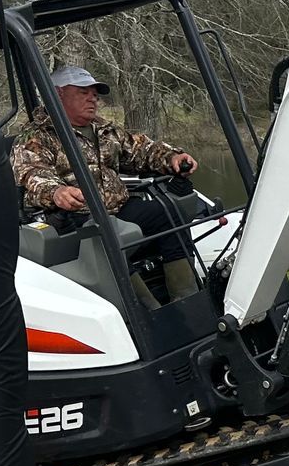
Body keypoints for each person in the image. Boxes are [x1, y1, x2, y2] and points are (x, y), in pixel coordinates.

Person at [11, 64, 201, 301]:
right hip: (78, 216)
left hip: (117, 207)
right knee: (108, 234)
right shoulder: (36, 136)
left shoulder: (104, 129)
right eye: (83, 93)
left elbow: (140, 150)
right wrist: (57, 191)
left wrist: (172, 157)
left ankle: (187, 299)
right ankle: (145, 310)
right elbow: (32, 173)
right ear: (57, 94)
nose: (93, 99)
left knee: (166, 212)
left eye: (94, 94)